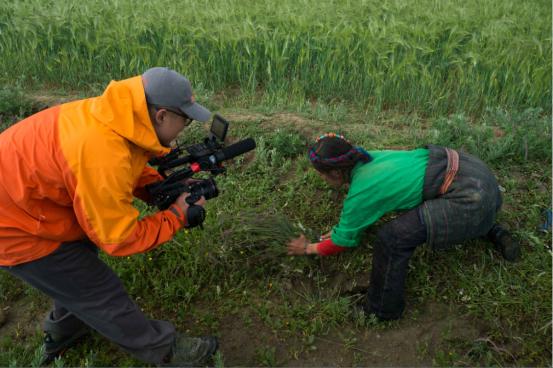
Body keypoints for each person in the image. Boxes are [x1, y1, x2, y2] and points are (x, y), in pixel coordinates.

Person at [0, 67, 219, 365]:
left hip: (32, 204)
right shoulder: (101, 152)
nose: (185, 127)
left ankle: (65, 331)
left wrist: (160, 187)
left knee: (76, 272)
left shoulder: (114, 116)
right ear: (162, 116)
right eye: (186, 119)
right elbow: (119, 239)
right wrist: (177, 216)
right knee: (97, 289)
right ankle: (165, 350)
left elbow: (127, 163)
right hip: (15, 227)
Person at [287, 133, 520, 321]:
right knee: (437, 204)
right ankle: (494, 229)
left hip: (470, 195)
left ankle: (382, 310)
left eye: (323, 176)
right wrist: (344, 227)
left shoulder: (362, 192)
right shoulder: (370, 158)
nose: (323, 180)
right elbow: (362, 212)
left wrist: (308, 248)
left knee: (392, 239)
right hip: (473, 171)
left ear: (336, 172)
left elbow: (341, 242)